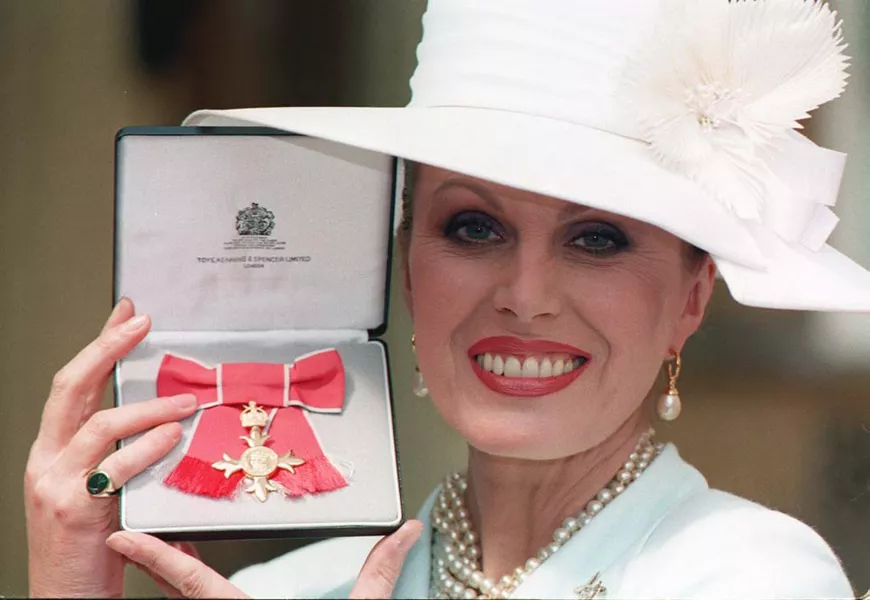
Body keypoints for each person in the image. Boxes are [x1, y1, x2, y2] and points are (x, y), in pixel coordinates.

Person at [25, 0, 869, 598]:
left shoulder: (753, 577)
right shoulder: (280, 591)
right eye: (473, 228)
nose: (527, 296)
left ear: (693, 296)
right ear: (404, 268)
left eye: (597, 238)